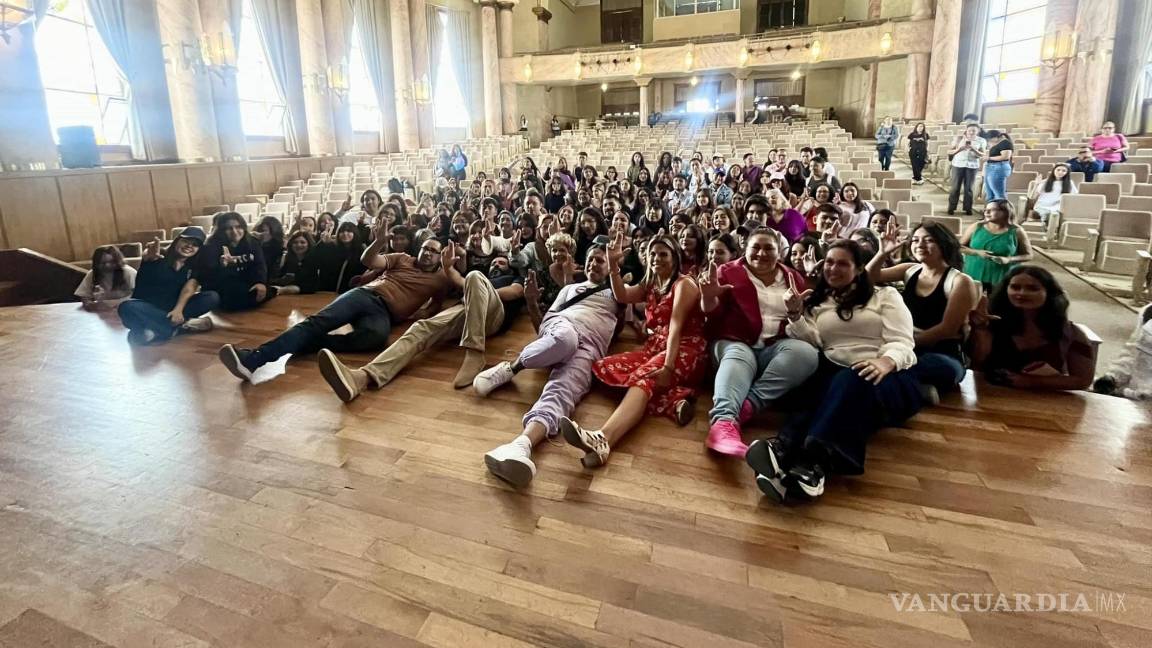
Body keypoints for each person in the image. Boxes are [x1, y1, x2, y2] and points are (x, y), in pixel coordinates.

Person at [744, 239, 922, 502]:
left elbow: (903, 342)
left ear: (859, 269)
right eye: (829, 262)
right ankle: (785, 456)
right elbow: (815, 342)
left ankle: (812, 463)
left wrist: (885, 361)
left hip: (885, 376)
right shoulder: (820, 302)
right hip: (836, 374)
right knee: (820, 379)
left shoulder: (885, 296)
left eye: (842, 263)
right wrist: (795, 315)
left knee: (850, 378)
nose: (833, 268)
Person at [217, 232, 456, 382]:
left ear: (440, 256)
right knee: (317, 323)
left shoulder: (441, 279)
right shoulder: (402, 258)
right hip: (365, 294)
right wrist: (378, 243)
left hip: (385, 314)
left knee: (375, 338)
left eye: (434, 251)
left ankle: (309, 342)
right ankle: (254, 359)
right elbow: (369, 260)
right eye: (425, 248)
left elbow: (433, 307)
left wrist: (413, 315)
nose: (428, 254)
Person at [477, 244, 622, 486]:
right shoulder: (569, 289)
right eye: (590, 259)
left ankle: (520, 446)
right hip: (563, 327)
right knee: (565, 340)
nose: (593, 264)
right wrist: (532, 302)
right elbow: (542, 330)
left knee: (564, 391)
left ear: (610, 266)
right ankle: (511, 369)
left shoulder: (619, 294)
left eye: (599, 260)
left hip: (591, 348)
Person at [559, 233, 708, 468]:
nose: (657, 258)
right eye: (652, 254)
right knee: (603, 367)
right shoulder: (651, 281)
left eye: (663, 254)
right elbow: (622, 295)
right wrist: (614, 266)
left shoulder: (684, 284)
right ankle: (673, 398)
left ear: (675, 257)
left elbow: (677, 328)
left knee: (643, 379)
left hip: (685, 349)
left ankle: (603, 439)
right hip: (655, 347)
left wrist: (668, 367)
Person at [316, 242, 525, 401]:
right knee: (420, 328)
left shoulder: (513, 278)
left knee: (474, 276)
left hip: (493, 315)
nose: (497, 264)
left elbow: (515, 293)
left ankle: (475, 352)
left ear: (510, 267)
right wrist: (453, 272)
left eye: (502, 262)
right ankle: (362, 377)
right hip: (465, 310)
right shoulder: (479, 280)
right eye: (495, 262)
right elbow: (462, 282)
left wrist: (476, 290)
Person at [699, 228, 819, 456]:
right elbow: (711, 315)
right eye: (756, 247)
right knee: (739, 355)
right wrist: (707, 297)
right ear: (745, 250)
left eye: (768, 248)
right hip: (734, 342)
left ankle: (748, 406)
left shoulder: (793, 277)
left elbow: (803, 317)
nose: (761, 253)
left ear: (779, 252)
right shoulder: (727, 271)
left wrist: (796, 312)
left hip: (773, 349)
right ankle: (723, 423)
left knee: (806, 353)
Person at [870, 220, 978, 401]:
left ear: (944, 244)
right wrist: (882, 253)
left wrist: (903, 347)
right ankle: (917, 390)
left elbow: (947, 330)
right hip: (907, 346)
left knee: (932, 367)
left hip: (942, 353)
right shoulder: (909, 270)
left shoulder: (960, 281)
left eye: (929, 240)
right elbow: (868, 278)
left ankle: (908, 388)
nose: (920, 245)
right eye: (915, 240)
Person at [969, 265, 1094, 391]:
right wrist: (980, 330)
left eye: (1032, 288)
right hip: (992, 395)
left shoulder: (1070, 332)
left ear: (1049, 292)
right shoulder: (991, 322)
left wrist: (1031, 382)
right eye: (1015, 287)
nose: (1021, 293)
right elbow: (977, 365)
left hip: (1046, 401)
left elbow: (1082, 380)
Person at [117, 228, 219, 345]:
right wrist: (147, 258)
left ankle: (158, 328)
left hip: (173, 308)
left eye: (195, 245)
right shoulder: (157, 256)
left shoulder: (194, 265)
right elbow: (149, 257)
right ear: (177, 240)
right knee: (126, 307)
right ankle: (179, 327)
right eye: (186, 241)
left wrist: (178, 310)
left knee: (212, 297)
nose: (190, 246)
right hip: (147, 308)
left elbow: (190, 287)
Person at [195, 211, 276, 312]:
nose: (234, 231)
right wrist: (222, 266)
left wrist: (260, 283)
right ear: (221, 231)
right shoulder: (210, 247)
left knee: (260, 291)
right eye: (229, 228)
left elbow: (259, 265)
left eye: (238, 227)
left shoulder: (252, 242)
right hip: (222, 286)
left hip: (245, 282)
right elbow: (205, 278)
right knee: (232, 298)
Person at [961, 199, 1033, 291]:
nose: (987, 212)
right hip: (974, 273)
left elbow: (1028, 255)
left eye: (992, 210)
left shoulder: (1017, 231)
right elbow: (959, 247)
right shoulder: (977, 227)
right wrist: (977, 252)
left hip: (1002, 276)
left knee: (997, 303)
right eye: (986, 210)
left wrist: (1009, 259)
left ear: (1005, 212)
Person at [1093, 304, 1152, 400]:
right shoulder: (1148, 311)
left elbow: (1146, 394)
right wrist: (1113, 378)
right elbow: (1132, 352)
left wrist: (1125, 392)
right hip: (1132, 401)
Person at [75, 245, 137, 311]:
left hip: (127, 309)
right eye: (103, 263)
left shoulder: (128, 272)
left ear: (117, 261)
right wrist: (91, 305)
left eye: (111, 262)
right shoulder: (92, 274)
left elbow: (140, 295)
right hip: (102, 311)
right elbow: (84, 296)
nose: (107, 265)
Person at [947, 124, 987, 215]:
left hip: (972, 166)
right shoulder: (959, 138)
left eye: (974, 130)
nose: (972, 132)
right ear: (966, 130)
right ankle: (951, 207)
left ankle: (968, 208)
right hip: (958, 164)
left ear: (978, 131)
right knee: (955, 187)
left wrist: (974, 149)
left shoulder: (981, 140)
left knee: (969, 188)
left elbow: (983, 154)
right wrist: (959, 149)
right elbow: (949, 151)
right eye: (970, 130)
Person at [982, 130, 1014, 201]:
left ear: (997, 137)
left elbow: (1005, 157)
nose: (989, 141)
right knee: (990, 193)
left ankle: (1001, 211)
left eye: (990, 139)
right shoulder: (997, 143)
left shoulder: (1006, 143)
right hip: (991, 167)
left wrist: (989, 158)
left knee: (999, 194)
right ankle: (991, 210)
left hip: (998, 168)